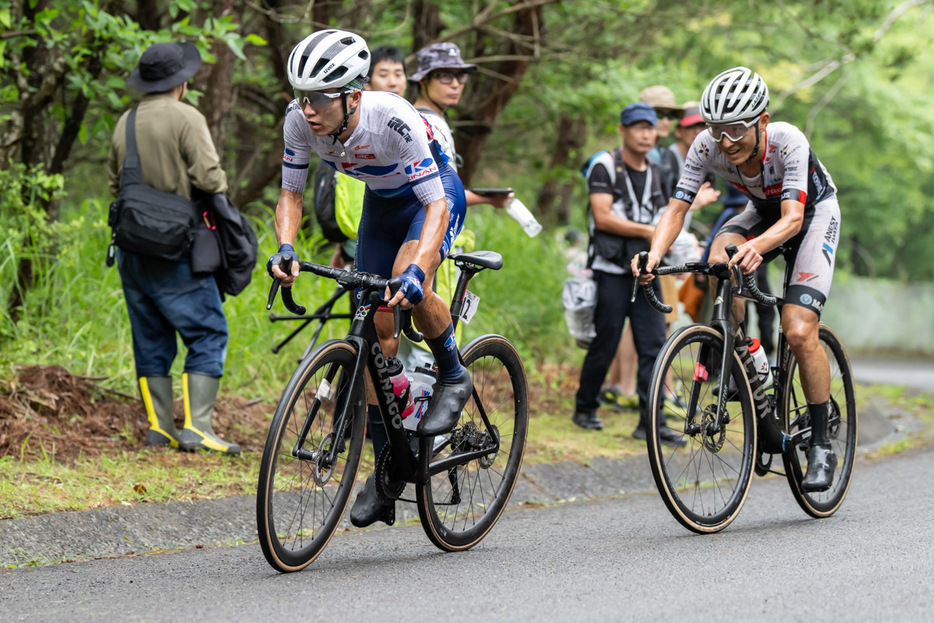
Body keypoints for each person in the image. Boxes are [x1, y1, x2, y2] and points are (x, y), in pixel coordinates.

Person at [268, 29, 473, 527]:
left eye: (319, 98)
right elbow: (291, 195)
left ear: (352, 95)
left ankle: (453, 373)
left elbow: (436, 204)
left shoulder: (393, 120)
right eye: (300, 96)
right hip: (380, 207)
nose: (308, 109)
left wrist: (418, 270)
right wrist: (286, 247)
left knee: (410, 279)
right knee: (373, 336)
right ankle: (389, 470)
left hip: (433, 197)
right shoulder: (299, 122)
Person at [634, 67, 841, 491]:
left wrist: (757, 248)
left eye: (735, 131)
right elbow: (677, 209)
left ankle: (821, 444)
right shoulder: (706, 143)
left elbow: (793, 218)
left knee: (800, 331)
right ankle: (744, 352)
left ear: (762, 121)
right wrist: (654, 255)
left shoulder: (788, 141)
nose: (725, 143)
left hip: (811, 215)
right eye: (716, 130)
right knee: (716, 261)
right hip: (761, 212)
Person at [108, 41, 239, 455]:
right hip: (176, 248)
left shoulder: (124, 122)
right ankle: (198, 427)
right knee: (207, 331)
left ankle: (160, 428)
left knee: (150, 336)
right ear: (180, 82)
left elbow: (115, 187)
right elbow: (210, 179)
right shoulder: (187, 117)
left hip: (131, 248)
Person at [571, 102, 685, 447]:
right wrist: (648, 230)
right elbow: (602, 217)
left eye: (650, 128)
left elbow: (667, 215)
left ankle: (652, 422)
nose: (646, 134)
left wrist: (659, 239)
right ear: (622, 130)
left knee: (653, 345)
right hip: (612, 269)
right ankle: (585, 407)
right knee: (605, 341)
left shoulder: (658, 170)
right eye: (638, 127)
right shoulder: (604, 165)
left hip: (647, 270)